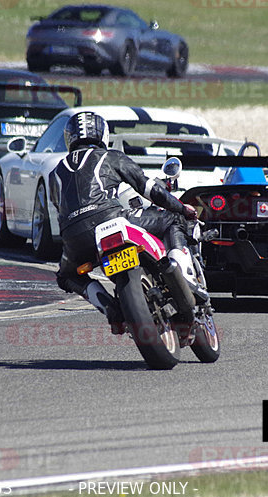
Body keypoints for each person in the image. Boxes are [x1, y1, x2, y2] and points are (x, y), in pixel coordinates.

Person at [49, 111, 201, 334]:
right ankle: (182, 276)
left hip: (75, 238)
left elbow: (61, 209)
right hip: (111, 220)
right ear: (103, 134)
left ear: (69, 138)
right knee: (173, 219)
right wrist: (181, 208)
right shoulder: (110, 156)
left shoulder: (55, 173)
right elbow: (151, 190)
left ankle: (110, 308)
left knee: (66, 276)